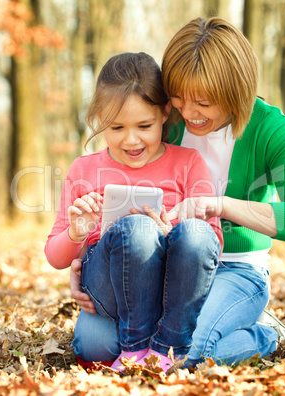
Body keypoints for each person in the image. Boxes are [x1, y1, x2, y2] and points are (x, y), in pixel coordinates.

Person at [70, 17, 285, 369]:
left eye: (203, 103)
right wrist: (85, 264)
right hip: (166, 268)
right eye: (178, 98)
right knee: (98, 343)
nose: (188, 113)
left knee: (185, 350)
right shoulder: (168, 123)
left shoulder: (270, 131)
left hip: (236, 271)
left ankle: (263, 335)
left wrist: (221, 206)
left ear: (235, 91)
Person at [45, 52, 223, 372]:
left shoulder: (188, 163)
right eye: (116, 127)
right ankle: (137, 348)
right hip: (110, 291)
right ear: (100, 120)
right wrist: (77, 231)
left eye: (144, 125)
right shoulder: (84, 169)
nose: (131, 139)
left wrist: (171, 233)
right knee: (93, 345)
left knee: (196, 231)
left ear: (166, 112)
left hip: (171, 291)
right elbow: (56, 258)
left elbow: (212, 243)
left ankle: (165, 345)